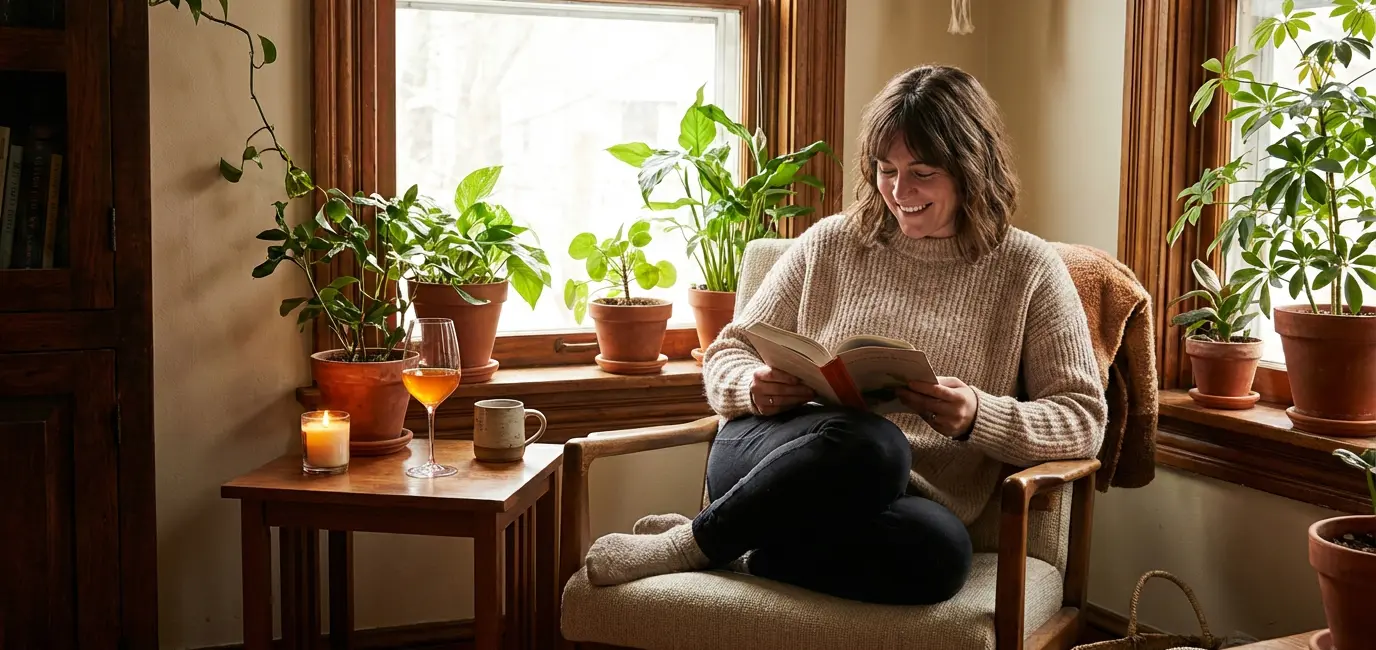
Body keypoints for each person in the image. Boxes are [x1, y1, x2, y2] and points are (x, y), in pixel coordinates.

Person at [582, 64, 1108, 606]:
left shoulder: (1029, 270)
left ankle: (739, 546)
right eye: (885, 169)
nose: (899, 191)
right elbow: (727, 351)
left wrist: (978, 414)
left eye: (921, 172)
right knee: (874, 443)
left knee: (942, 552)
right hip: (769, 450)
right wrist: (752, 387)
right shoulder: (833, 242)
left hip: (897, 497)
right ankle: (694, 542)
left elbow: (1083, 419)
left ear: (971, 168)